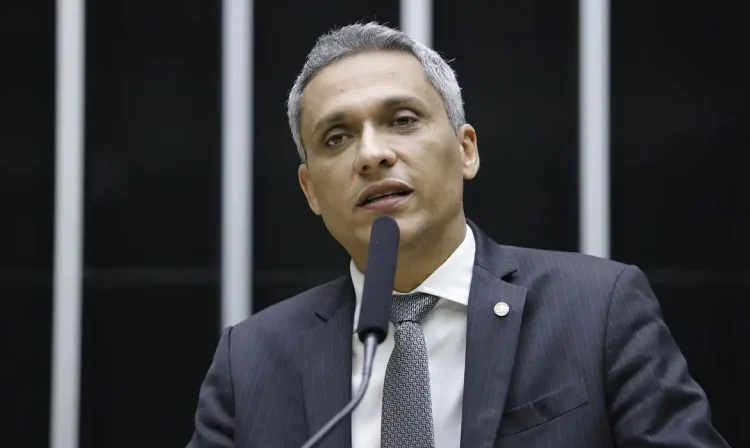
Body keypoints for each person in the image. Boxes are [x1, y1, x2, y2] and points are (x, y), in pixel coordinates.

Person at [187, 22, 729, 448]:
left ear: (466, 149)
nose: (372, 154)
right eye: (336, 137)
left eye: (402, 120)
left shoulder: (598, 308)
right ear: (310, 190)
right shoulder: (252, 360)